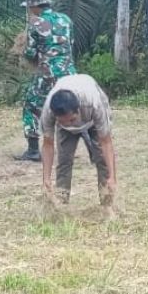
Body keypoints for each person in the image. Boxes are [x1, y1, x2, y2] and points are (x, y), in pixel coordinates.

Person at [40, 74, 118, 211]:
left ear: (78, 110)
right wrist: (46, 178)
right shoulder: (48, 111)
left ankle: (107, 205)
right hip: (68, 124)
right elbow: (47, 144)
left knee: (102, 160)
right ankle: (61, 205)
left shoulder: (94, 103)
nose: (69, 124)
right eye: (61, 121)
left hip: (92, 121)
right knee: (64, 161)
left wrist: (112, 177)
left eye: (71, 120)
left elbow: (106, 141)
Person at [15, 0, 77, 162]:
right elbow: (71, 44)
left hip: (47, 74)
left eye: (29, 7)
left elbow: (30, 52)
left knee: (31, 106)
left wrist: (25, 52)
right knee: (73, 107)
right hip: (70, 73)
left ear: (35, 6)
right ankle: (91, 144)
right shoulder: (66, 20)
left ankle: (33, 150)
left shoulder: (36, 23)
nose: (29, 10)